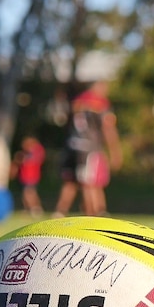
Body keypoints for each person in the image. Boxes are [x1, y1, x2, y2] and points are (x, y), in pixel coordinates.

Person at [53, 81, 123, 217]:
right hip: (89, 147)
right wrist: (115, 151)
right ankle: (94, 213)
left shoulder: (77, 101)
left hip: (72, 145)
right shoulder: (100, 103)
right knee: (90, 182)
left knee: (71, 181)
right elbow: (108, 128)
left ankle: (60, 211)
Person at [13, 135, 46, 217]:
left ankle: (35, 208)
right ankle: (28, 208)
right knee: (28, 193)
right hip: (25, 176)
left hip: (31, 176)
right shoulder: (26, 153)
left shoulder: (36, 151)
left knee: (29, 193)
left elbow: (33, 161)